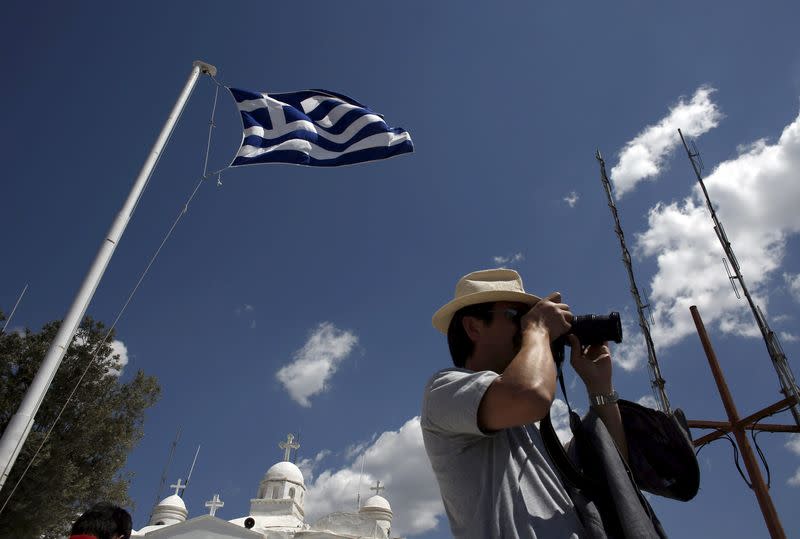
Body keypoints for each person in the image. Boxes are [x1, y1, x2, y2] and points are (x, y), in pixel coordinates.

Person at [421, 268, 628, 538]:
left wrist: (600, 387)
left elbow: (615, 472)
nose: (525, 326)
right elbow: (531, 395)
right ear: (473, 327)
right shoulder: (444, 388)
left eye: (528, 318)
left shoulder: (531, 432)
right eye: (516, 317)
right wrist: (539, 328)